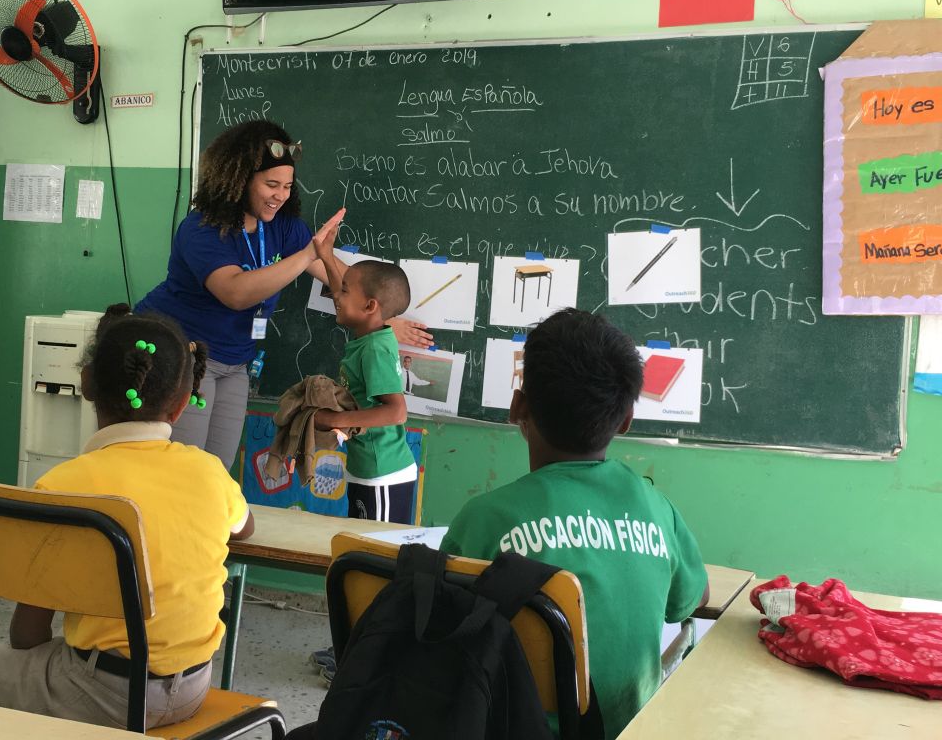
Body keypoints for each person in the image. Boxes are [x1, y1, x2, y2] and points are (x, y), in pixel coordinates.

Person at [0, 305, 255, 730]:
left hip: (102, 694)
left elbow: (26, 636)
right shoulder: (209, 471)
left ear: (87, 383)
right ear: (183, 403)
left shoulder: (64, 484)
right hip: (191, 691)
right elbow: (245, 529)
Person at [440, 308, 710, 740]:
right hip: (627, 729)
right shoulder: (657, 508)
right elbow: (693, 599)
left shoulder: (485, 519)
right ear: (625, 420)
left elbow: (442, 637)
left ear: (517, 407)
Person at [136, 119, 431, 470]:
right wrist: (308, 252)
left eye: (288, 186)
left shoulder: (284, 227)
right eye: (271, 184)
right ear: (240, 180)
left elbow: (336, 275)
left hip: (235, 361)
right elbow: (236, 293)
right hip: (183, 355)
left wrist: (381, 320)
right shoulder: (202, 229)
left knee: (215, 470)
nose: (281, 195)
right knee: (184, 469)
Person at [311, 240, 417, 524]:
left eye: (344, 291)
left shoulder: (375, 349)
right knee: (363, 550)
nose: (336, 297)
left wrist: (338, 419)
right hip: (369, 468)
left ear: (370, 306)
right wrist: (325, 257)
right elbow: (343, 295)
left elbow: (397, 411)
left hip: (382, 473)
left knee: (377, 556)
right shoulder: (368, 336)